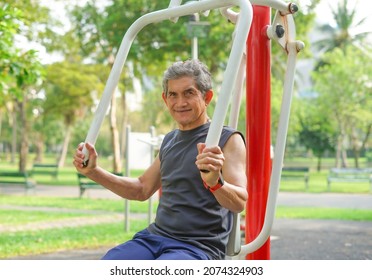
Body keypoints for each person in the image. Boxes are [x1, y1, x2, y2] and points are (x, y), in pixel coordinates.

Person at [73, 59, 247, 260]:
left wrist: (216, 183)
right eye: (173, 95)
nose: (180, 103)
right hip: (154, 239)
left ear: (207, 97)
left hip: (197, 247)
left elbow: (239, 203)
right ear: (165, 100)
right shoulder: (170, 140)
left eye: (189, 93)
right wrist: (93, 172)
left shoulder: (226, 139)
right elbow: (141, 189)